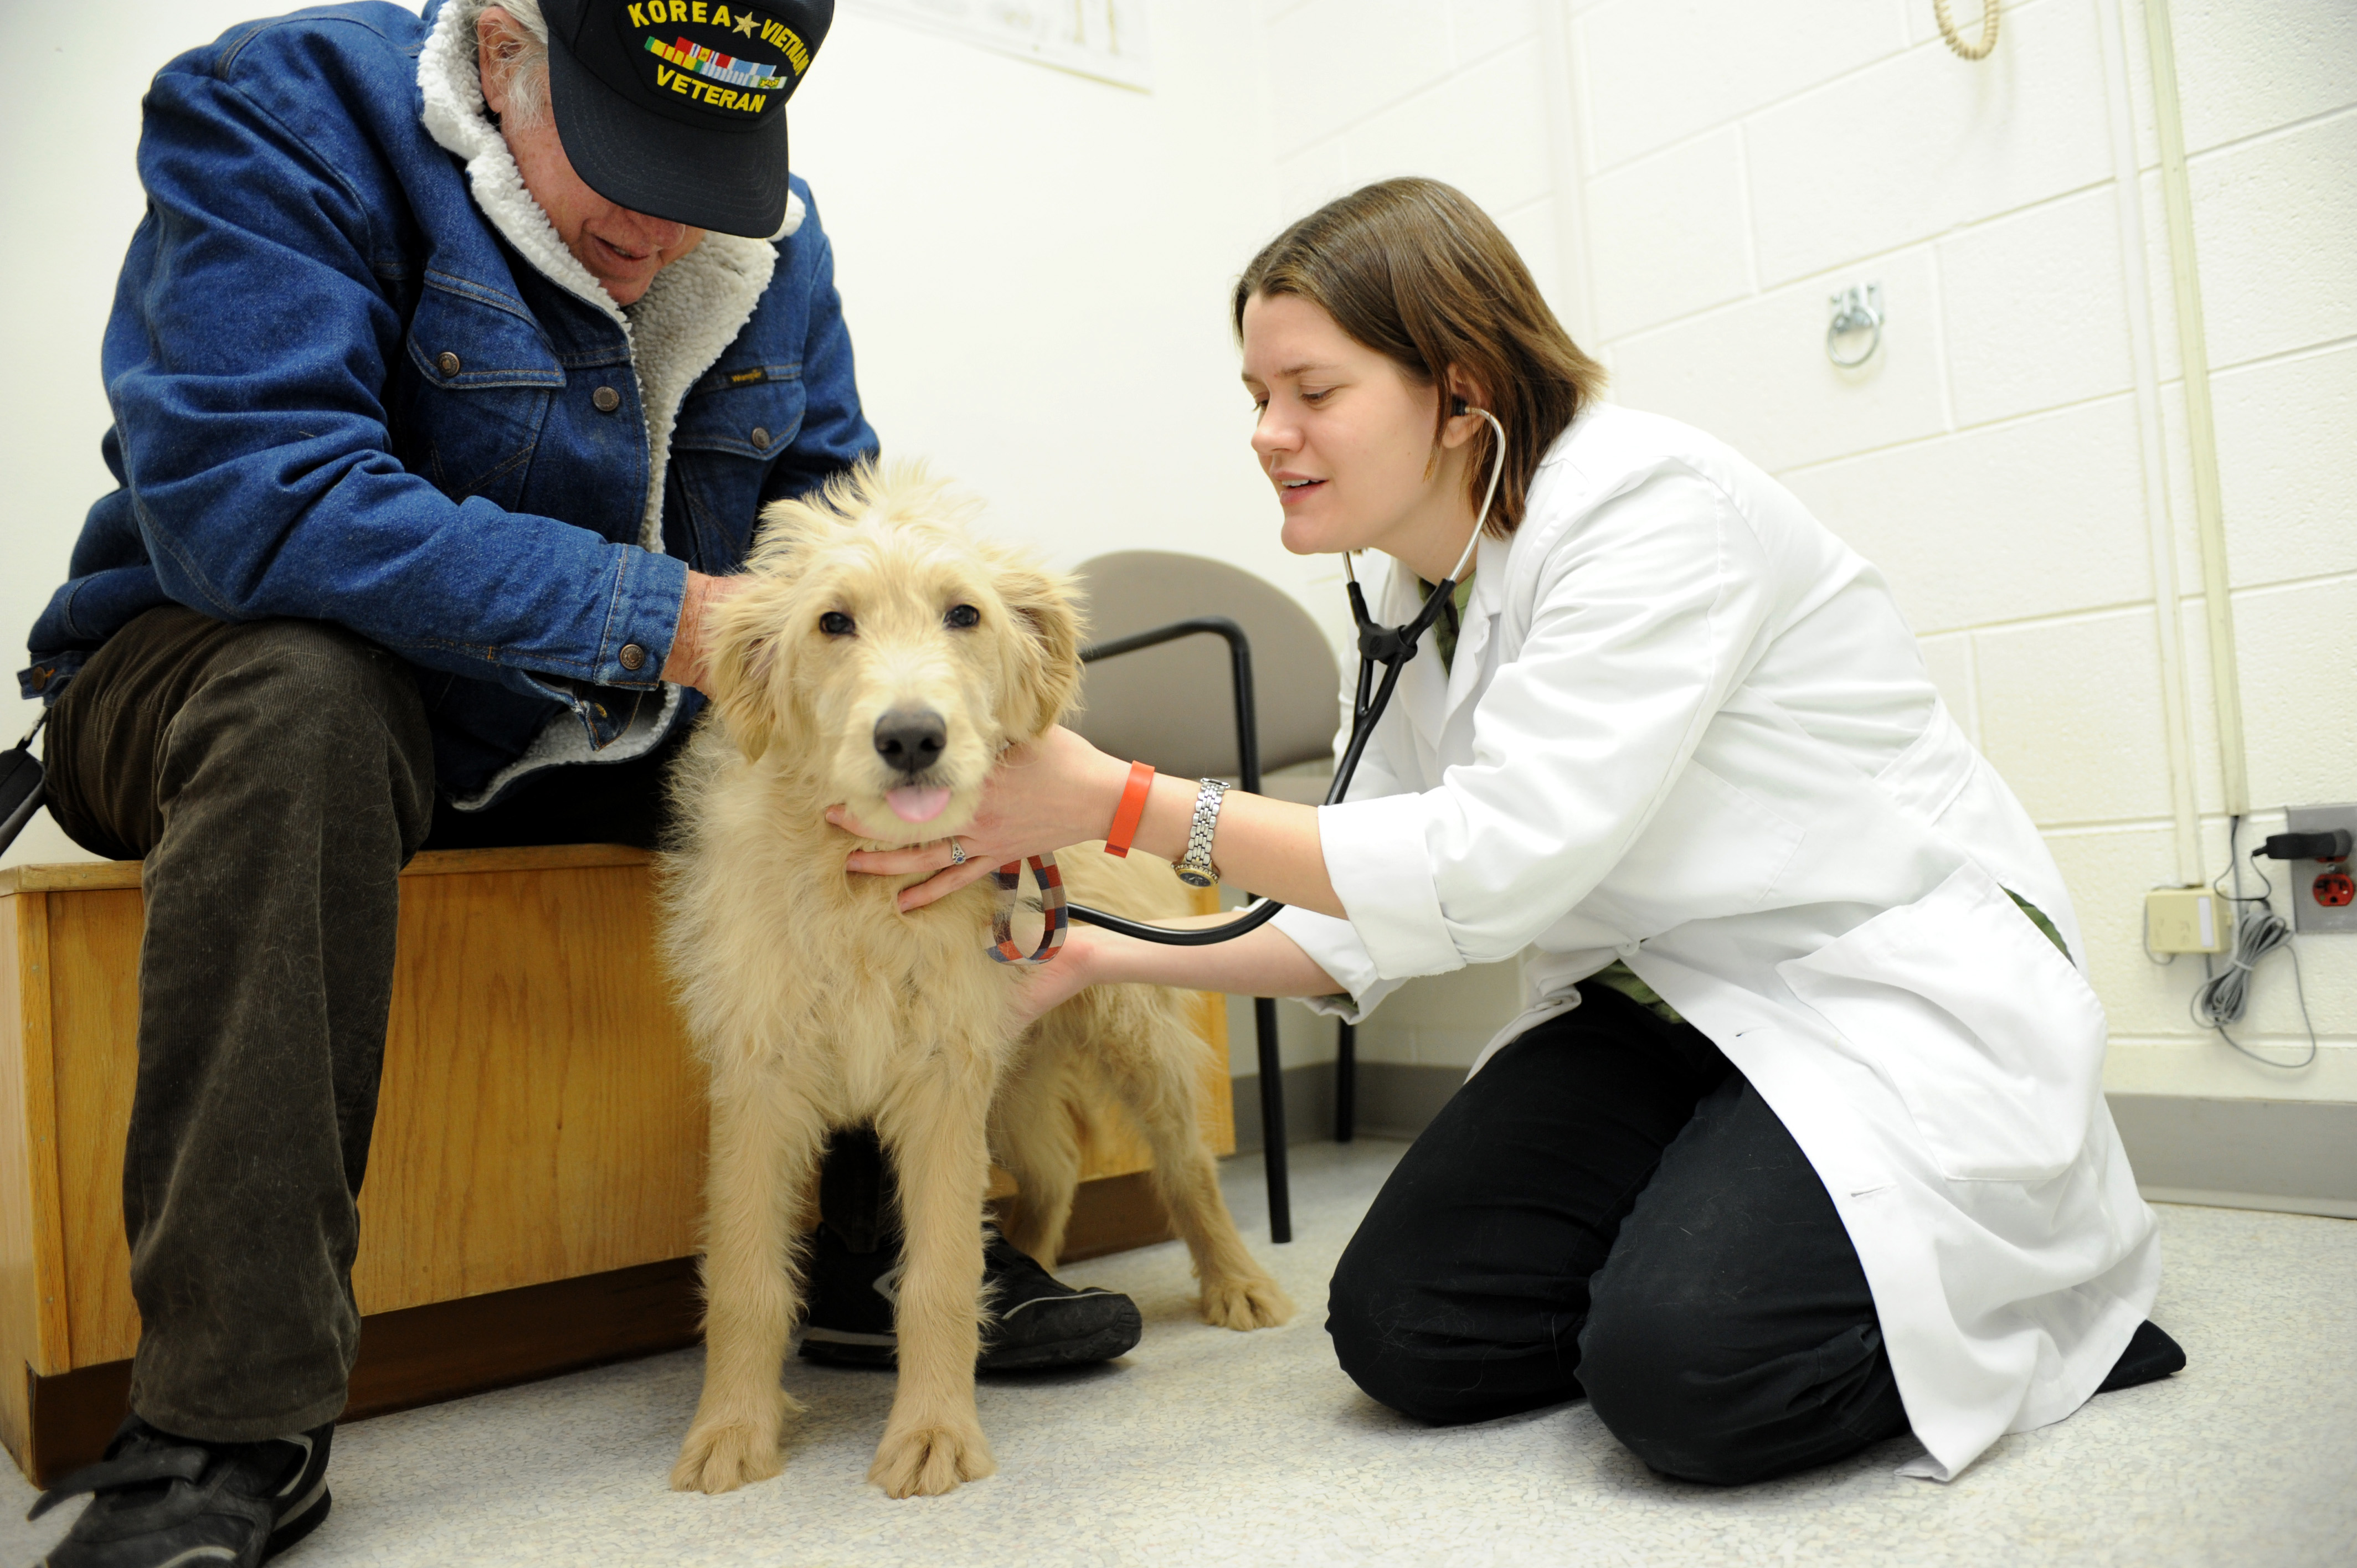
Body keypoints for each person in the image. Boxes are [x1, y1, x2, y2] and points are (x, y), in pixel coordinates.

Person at [839, 177, 2186, 1487]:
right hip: (1656, 1011)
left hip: (1862, 991)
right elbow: (1358, 910)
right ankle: (1713, 1241)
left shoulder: (1653, 513)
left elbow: (1485, 865)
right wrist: (1110, 957)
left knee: (1687, 1385)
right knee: (1405, 1335)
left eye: (1313, 392)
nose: (1266, 431)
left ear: (1460, 387)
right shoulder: (1423, 576)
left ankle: (2038, 1304)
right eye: (1257, 396)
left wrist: (1115, 802)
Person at [17, 3, 1130, 1561]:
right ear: (502, 42)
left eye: (708, 171)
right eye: (624, 159)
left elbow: (827, 526)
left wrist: (951, 720)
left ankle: (887, 1253)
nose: (665, 227)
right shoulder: (277, 111)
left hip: (599, 709)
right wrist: (658, 615)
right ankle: (223, 1424)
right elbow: (252, 502)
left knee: (884, 766)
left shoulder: (772, 248)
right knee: (304, 699)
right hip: (232, 674)